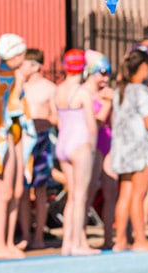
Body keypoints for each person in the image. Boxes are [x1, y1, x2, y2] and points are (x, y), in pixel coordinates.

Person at [111, 49, 148, 255]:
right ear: (143, 67)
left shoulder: (120, 90)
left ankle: (121, 240)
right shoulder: (141, 91)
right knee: (139, 195)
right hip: (141, 149)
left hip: (124, 148)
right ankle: (140, 239)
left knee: (125, 194)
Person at [0, 34, 31, 259]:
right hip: (2, 137)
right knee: (3, 192)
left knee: (16, 191)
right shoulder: (0, 77)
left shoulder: (13, 75)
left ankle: (9, 241)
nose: (23, 58)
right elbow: (8, 108)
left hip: (15, 136)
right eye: (20, 54)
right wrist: (20, 82)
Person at [55, 49, 97, 256]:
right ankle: (78, 244)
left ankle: (66, 245)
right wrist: (94, 147)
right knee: (80, 197)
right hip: (80, 145)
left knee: (71, 197)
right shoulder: (82, 93)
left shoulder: (58, 90)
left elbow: (56, 120)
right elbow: (91, 125)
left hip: (62, 144)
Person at [20, 48, 57, 250]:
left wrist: (39, 123)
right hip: (22, 142)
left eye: (24, 62)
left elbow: (55, 118)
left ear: (34, 66)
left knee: (40, 190)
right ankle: (25, 235)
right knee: (23, 191)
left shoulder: (49, 88)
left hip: (41, 141)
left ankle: (39, 236)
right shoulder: (19, 86)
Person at [84, 53, 118, 250]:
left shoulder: (108, 93)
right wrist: (107, 104)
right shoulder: (84, 94)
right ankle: (81, 236)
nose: (105, 78)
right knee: (87, 193)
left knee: (110, 192)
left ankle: (108, 238)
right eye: (102, 73)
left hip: (108, 142)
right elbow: (94, 123)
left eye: (108, 74)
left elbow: (114, 122)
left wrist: (114, 104)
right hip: (92, 145)